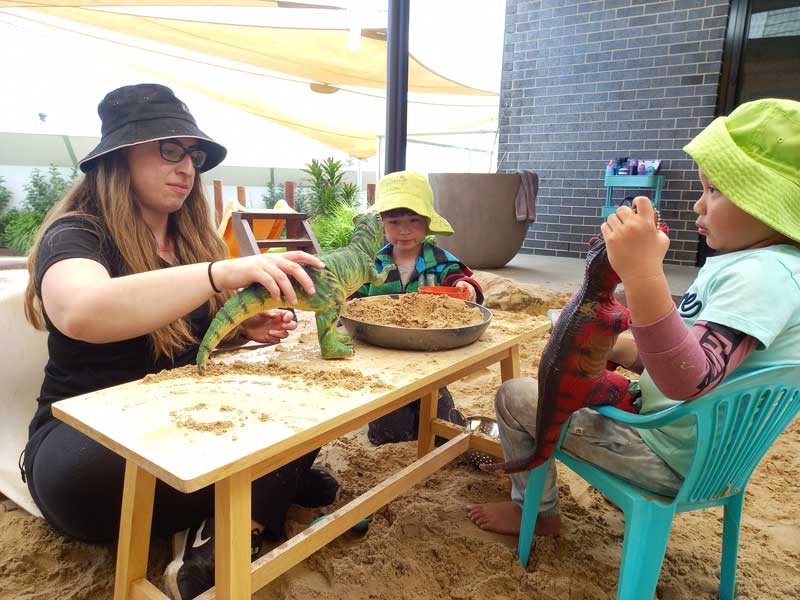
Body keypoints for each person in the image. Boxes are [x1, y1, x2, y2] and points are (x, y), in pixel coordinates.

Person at [20, 83, 340, 600]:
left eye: (192, 155)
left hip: (180, 421)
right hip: (88, 445)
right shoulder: (78, 234)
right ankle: (260, 498)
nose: (187, 167)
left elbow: (179, 343)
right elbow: (80, 311)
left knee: (313, 402)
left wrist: (241, 331)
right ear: (119, 157)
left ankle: (226, 535)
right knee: (264, 447)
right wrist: (218, 273)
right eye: (169, 150)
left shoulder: (189, 239)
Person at [467, 97, 800, 539]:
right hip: (688, 437)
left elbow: (688, 379)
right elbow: (691, 353)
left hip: (668, 455)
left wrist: (643, 274)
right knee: (567, 374)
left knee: (517, 397)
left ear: (767, 201)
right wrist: (623, 349)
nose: (699, 206)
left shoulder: (762, 276)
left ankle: (538, 511)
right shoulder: (761, 268)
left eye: (715, 190)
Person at [350, 170, 484, 445]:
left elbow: (462, 283)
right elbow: (355, 299)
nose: (404, 230)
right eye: (394, 221)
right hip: (383, 362)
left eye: (413, 220)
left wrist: (467, 289)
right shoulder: (371, 264)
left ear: (426, 222)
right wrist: (345, 304)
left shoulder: (441, 261)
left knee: (442, 426)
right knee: (390, 433)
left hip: (430, 358)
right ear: (382, 225)